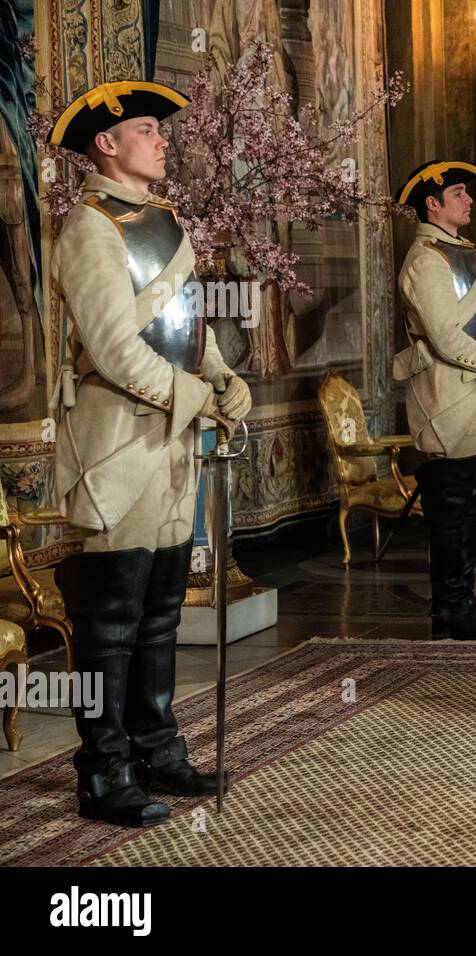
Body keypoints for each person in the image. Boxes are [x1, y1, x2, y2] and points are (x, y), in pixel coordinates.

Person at [46, 80, 252, 826]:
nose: (163, 139)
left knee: (162, 607)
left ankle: (157, 750)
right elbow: (109, 349)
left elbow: (187, 323)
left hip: (173, 439)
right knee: (111, 617)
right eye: (147, 129)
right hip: (118, 441)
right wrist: (194, 396)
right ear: (106, 143)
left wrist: (224, 379)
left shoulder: (166, 222)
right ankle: (102, 771)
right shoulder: (89, 228)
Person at [393, 159, 476, 639]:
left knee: (468, 506)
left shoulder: (463, 252)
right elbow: (447, 339)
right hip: (444, 398)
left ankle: (462, 602)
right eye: (458, 193)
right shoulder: (426, 259)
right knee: (450, 510)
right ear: (432, 204)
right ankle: (448, 610)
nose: (469, 199)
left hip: (473, 394)